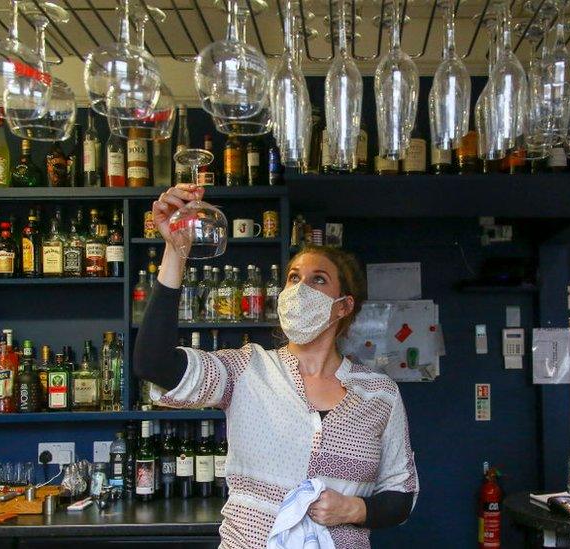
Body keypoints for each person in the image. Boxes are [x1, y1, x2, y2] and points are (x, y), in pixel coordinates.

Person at [134, 184, 418, 548]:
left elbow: (401, 496)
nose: (300, 288)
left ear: (344, 306)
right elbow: (153, 363)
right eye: (294, 278)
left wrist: (352, 509)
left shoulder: (380, 394)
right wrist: (175, 253)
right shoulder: (247, 370)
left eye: (318, 279)